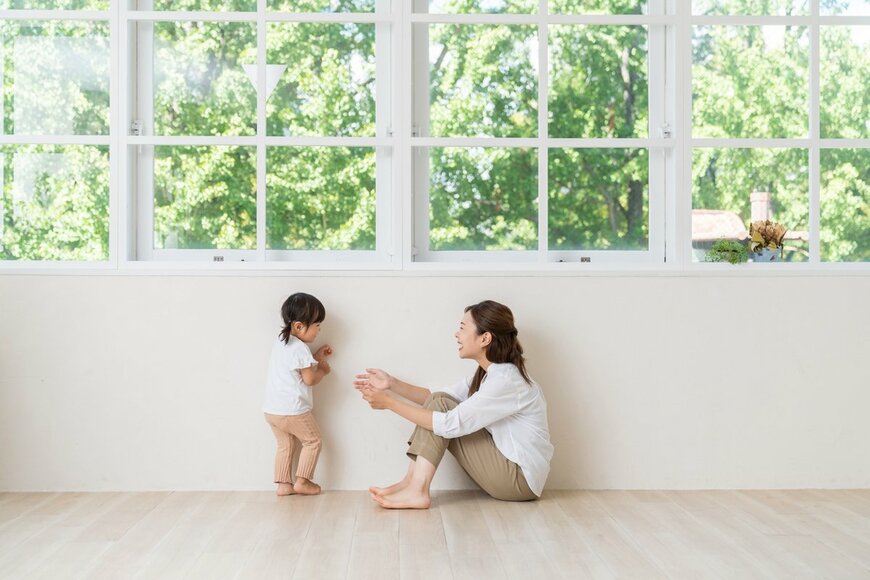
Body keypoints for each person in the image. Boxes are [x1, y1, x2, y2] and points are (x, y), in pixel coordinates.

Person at [355, 300, 553, 509]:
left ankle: (417, 490)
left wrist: (389, 403)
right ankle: (411, 483)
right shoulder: (491, 374)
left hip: (519, 481)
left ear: (485, 338)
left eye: (462, 328)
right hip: (511, 475)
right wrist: (392, 384)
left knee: (442, 408)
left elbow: (448, 422)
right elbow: (435, 397)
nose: (456, 334)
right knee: (439, 400)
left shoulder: (506, 380)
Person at [262, 292, 333, 496]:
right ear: (299, 326)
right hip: (292, 410)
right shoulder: (301, 348)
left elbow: (297, 365)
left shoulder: (281, 342)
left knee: (285, 444)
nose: (319, 329)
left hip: (271, 410)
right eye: (317, 325)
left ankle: (284, 485)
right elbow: (309, 378)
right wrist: (323, 371)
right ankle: (303, 481)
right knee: (313, 441)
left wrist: (315, 357)